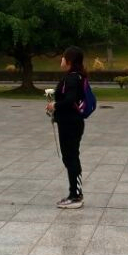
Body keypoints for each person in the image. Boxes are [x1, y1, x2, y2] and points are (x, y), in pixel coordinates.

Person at [46, 46, 87, 209]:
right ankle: (75, 193)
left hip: (70, 124)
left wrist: (55, 105)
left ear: (69, 60)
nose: (61, 59)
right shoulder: (77, 76)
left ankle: (75, 196)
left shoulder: (72, 78)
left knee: (71, 158)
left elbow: (70, 100)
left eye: (63, 57)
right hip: (71, 122)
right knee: (71, 157)